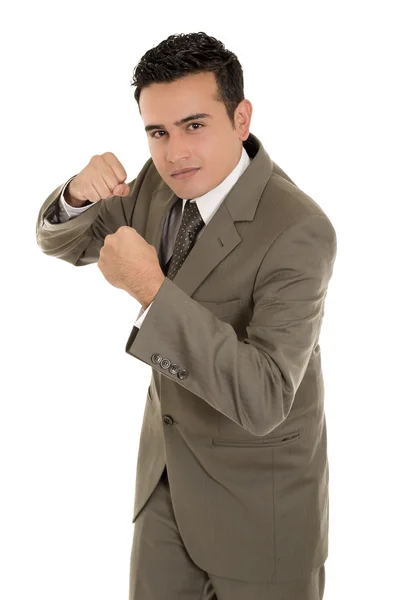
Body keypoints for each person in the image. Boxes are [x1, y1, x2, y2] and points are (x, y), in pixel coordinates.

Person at [36, 31, 337, 600]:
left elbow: (266, 396)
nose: (175, 153)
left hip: (261, 512)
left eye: (195, 126)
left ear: (241, 118)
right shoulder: (157, 185)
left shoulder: (300, 230)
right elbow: (65, 244)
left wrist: (152, 292)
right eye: (158, 132)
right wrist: (77, 195)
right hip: (166, 491)